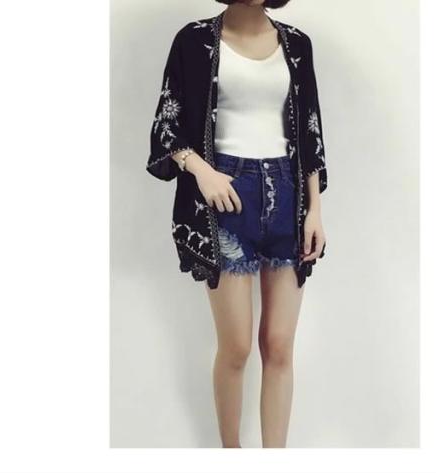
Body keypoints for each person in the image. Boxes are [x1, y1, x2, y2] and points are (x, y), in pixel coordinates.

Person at [147, 0, 328, 448]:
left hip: (288, 197)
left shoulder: (297, 45)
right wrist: (202, 172)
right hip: (225, 196)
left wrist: (315, 210)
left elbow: (310, 132)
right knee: (237, 347)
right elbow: (167, 125)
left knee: (280, 345)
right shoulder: (194, 40)